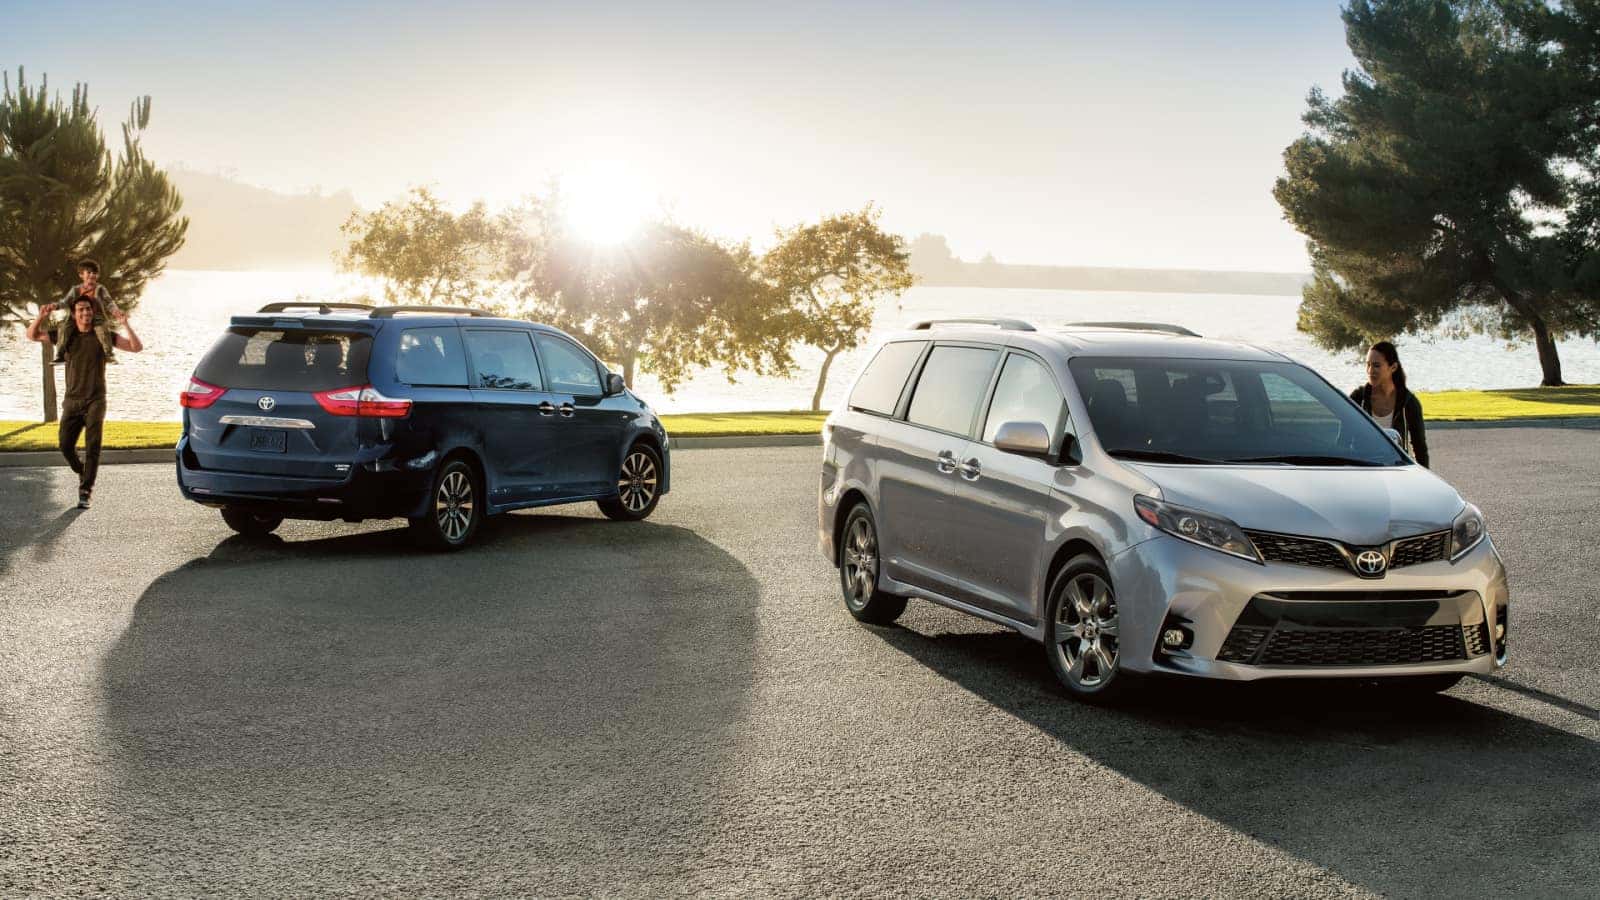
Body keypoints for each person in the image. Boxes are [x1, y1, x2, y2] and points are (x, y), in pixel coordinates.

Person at [24, 292, 145, 508]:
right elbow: (32, 335)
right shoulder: (65, 336)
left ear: (93, 312)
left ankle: (86, 491)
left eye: (88, 309)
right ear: (74, 314)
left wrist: (125, 324)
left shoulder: (103, 335)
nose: (85, 312)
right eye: (81, 309)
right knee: (65, 445)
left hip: (95, 399)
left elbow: (136, 347)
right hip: (72, 400)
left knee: (93, 444)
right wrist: (41, 317)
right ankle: (82, 471)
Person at [1350, 340, 1429, 468]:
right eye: (1368, 364)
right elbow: (1343, 438)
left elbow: (1420, 448)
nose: (1370, 370)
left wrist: (1426, 480)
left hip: (1397, 470)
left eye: (1376, 365)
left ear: (1393, 367)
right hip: (1363, 469)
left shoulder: (1408, 402)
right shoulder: (1358, 398)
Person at [56, 259, 119, 362]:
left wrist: (116, 311)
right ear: (81, 275)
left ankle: (108, 354)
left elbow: (109, 302)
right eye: (88, 272)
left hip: (95, 316)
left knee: (102, 329)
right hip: (77, 317)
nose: (92, 275)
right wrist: (56, 306)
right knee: (64, 328)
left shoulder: (100, 289)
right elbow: (65, 302)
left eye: (94, 273)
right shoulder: (75, 290)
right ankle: (60, 354)